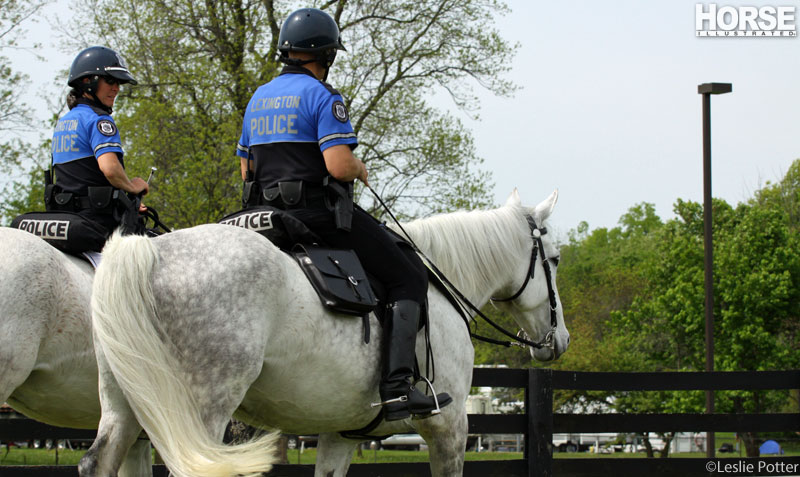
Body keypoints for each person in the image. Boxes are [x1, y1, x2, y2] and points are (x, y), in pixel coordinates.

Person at [236, 8, 452, 421]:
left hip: (262, 217)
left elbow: (245, 169)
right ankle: (396, 389)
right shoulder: (322, 96)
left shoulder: (257, 99)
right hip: (315, 216)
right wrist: (359, 166)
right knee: (409, 275)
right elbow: (337, 165)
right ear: (325, 54)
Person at [50, 46, 149, 236]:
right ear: (88, 82)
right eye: (110, 81)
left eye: (118, 83)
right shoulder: (99, 120)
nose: (116, 89)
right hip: (97, 221)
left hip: (64, 217)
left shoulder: (64, 122)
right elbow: (110, 169)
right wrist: (132, 186)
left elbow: (79, 179)